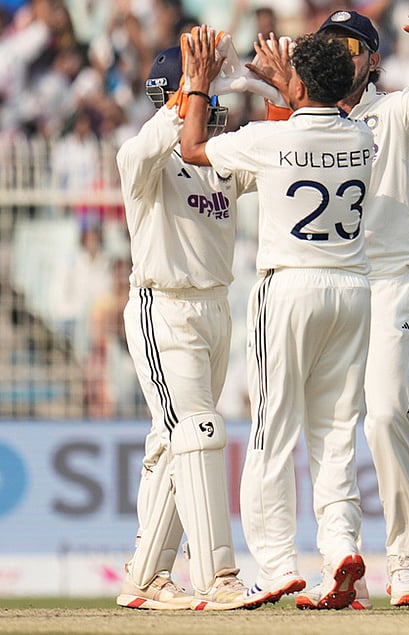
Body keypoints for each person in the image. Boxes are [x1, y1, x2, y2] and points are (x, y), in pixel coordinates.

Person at [180, 26, 373, 610]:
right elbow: (314, 118)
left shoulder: (270, 139)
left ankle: (277, 566)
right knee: (336, 435)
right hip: (353, 289)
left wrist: (196, 85)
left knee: (272, 430)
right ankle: (340, 549)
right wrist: (288, 81)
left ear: (299, 83)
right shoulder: (364, 136)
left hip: (290, 287)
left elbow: (192, 150)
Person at [307, 9, 409, 608]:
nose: (342, 55)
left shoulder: (396, 111)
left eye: (352, 47)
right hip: (326, 282)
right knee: (332, 425)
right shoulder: (310, 119)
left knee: (382, 417)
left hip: (386, 281)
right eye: (333, 45)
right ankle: (339, 558)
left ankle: (404, 559)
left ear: (372, 59)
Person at [114, 41, 256, 611]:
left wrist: (261, 85)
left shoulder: (214, 155)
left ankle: (145, 579)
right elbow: (143, 150)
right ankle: (219, 576)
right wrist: (191, 89)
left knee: (176, 444)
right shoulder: (145, 155)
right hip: (163, 307)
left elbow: (277, 150)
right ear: (175, 96)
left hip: (216, 309)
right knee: (198, 430)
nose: (213, 107)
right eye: (204, 95)